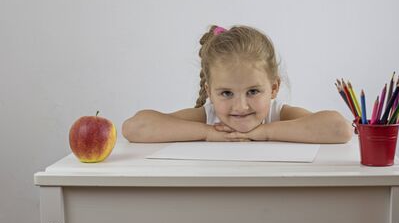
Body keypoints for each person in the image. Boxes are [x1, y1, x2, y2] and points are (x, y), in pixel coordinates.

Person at [122, 25, 353, 143]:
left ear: (273, 88)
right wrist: (206, 133)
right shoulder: (208, 117)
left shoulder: (277, 115)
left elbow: (339, 129)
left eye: (253, 91)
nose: (241, 106)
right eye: (226, 93)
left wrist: (265, 132)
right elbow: (135, 127)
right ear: (209, 92)